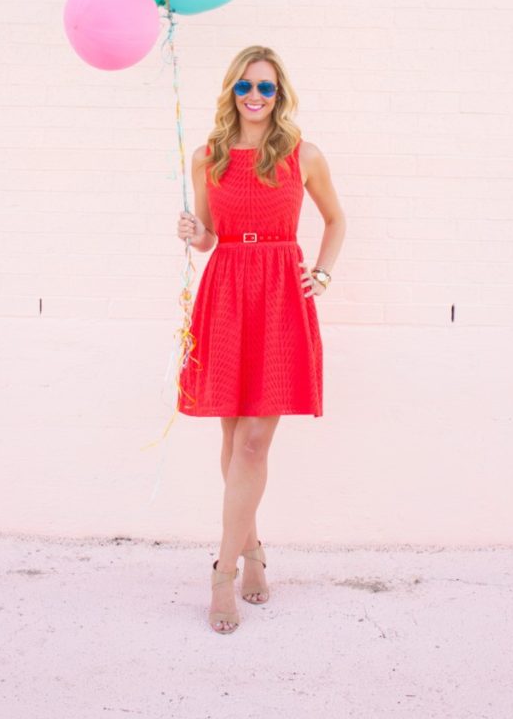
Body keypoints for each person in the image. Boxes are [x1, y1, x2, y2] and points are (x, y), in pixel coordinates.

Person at [175, 45, 346, 633]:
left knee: (252, 443)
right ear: (232, 91)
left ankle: (223, 570)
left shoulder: (305, 155)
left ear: (280, 94)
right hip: (225, 292)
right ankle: (252, 553)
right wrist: (194, 232)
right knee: (230, 433)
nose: (255, 96)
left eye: (266, 88)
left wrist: (320, 273)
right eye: (245, 86)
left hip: (279, 295)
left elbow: (337, 219)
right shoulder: (208, 156)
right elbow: (209, 237)